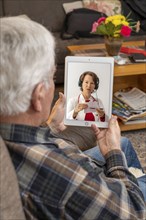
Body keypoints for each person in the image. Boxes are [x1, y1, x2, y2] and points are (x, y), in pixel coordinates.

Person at [0, 16, 146, 220]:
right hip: (119, 204)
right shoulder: (64, 170)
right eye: (51, 78)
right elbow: (134, 212)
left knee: (124, 143)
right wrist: (113, 153)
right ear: (39, 95)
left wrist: (49, 126)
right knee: (123, 156)